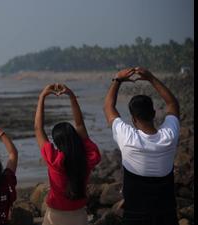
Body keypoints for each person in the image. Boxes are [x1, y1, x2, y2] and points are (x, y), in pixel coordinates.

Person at [103, 67, 180, 225]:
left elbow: (108, 107)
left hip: (135, 217)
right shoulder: (169, 136)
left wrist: (117, 79)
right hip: (167, 216)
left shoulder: (127, 138)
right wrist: (151, 78)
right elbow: (172, 103)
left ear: (133, 119)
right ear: (154, 114)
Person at [34, 83, 101, 225]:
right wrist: (71, 96)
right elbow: (80, 125)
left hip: (56, 215)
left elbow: (38, 128)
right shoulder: (88, 158)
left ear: (57, 143)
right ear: (75, 138)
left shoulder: (54, 159)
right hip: (79, 215)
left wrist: (42, 97)